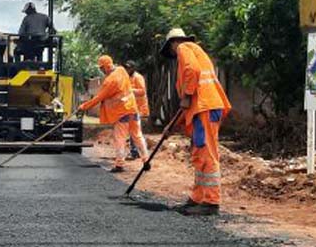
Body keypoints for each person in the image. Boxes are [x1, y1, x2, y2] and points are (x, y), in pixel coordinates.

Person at [160, 28, 231, 216]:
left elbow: (192, 72)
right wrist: (172, 126)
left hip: (205, 108)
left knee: (207, 153)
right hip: (204, 108)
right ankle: (198, 197)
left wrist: (187, 94)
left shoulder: (184, 48)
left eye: (171, 50)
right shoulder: (196, 51)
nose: (174, 54)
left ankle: (211, 201)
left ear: (173, 43)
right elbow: (187, 105)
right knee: (200, 154)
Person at [77, 54, 148, 172]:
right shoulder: (122, 70)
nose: (101, 71)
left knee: (120, 138)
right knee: (138, 136)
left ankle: (119, 165)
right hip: (132, 109)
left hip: (121, 113)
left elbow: (99, 98)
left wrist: (84, 106)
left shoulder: (110, 81)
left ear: (105, 66)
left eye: (101, 68)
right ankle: (146, 161)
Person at [124, 60, 150, 160]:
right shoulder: (127, 77)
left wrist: (130, 91)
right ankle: (138, 151)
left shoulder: (138, 77)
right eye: (126, 67)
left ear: (133, 68)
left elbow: (142, 91)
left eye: (129, 67)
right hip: (133, 109)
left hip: (140, 109)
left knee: (135, 132)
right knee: (134, 132)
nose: (127, 69)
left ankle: (135, 152)